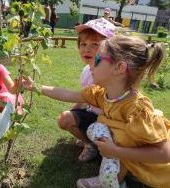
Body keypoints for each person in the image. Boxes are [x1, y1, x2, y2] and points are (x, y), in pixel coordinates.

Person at [23, 35, 170, 188]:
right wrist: (35, 86)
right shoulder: (102, 94)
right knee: (100, 127)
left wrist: (116, 151)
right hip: (129, 154)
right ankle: (115, 173)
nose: (92, 62)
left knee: (116, 133)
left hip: (160, 171)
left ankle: (113, 180)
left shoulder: (137, 109)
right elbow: (68, 94)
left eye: (98, 59)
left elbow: (164, 153)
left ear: (119, 68)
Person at [58, 18, 115, 162]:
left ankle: (95, 145)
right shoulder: (86, 71)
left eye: (95, 44)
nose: (87, 49)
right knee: (64, 119)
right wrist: (72, 112)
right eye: (83, 44)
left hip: (107, 120)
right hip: (91, 114)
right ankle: (89, 143)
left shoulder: (111, 73)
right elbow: (84, 97)